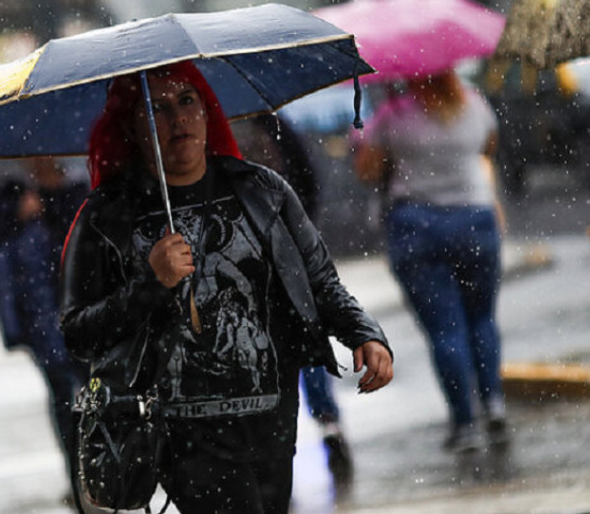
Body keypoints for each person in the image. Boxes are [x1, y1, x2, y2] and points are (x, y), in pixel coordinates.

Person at [61, 61, 393, 514]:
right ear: (132, 126)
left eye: (186, 102)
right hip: (182, 433)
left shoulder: (261, 190)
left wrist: (365, 332)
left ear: (206, 110)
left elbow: (318, 281)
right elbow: (78, 333)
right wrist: (149, 284)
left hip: (271, 417)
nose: (177, 119)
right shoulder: (105, 218)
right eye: (156, 108)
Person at [353, 70, 506, 453]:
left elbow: (368, 170)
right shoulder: (474, 104)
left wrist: (380, 145)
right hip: (475, 217)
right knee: (482, 319)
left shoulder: (392, 115)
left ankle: (465, 424)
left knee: (445, 330)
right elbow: (488, 147)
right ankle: (493, 403)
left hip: (417, 227)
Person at [233, 113, 354, 487]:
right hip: (283, 253)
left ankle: (269, 442)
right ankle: (327, 423)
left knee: (256, 349)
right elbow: (306, 180)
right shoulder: (272, 121)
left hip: (240, 259)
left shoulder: (209, 132)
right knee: (305, 338)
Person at [0, 157, 88, 505]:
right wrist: (18, 213)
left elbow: (87, 240)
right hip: (40, 319)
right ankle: (77, 474)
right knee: (62, 397)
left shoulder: (78, 192)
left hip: (83, 312)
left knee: (95, 393)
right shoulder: (13, 194)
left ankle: (104, 467)